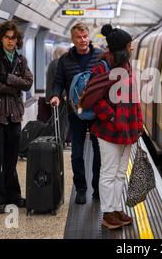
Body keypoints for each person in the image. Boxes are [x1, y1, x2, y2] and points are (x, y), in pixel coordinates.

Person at [82, 24, 143, 230]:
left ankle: (117, 208)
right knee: (108, 172)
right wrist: (111, 118)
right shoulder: (102, 67)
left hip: (128, 129)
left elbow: (134, 98)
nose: (132, 48)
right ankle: (108, 213)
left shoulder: (126, 66)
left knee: (120, 173)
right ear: (121, 48)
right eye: (129, 45)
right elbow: (92, 97)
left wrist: (139, 122)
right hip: (108, 130)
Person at [0, 21, 33, 213]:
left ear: (17, 40)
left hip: (14, 116)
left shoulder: (21, 60)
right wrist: (15, 85)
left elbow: (28, 83)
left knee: (11, 159)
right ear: (1, 38)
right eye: (7, 37)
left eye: (14, 38)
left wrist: (8, 78)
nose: (11, 41)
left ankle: (13, 195)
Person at [50, 22, 103, 204]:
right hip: (75, 113)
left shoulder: (99, 56)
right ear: (72, 39)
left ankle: (97, 189)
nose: (83, 40)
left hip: (97, 113)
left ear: (89, 37)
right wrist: (56, 96)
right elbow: (58, 82)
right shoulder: (65, 60)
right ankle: (81, 189)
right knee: (77, 153)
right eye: (79, 37)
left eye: (85, 36)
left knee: (99, 152)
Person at [45, 45, 69, 144]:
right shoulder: (57, 64)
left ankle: (58, 141)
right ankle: (59, 142)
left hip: (55, 97)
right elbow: (58, 82)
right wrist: (64, 95)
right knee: (61, 121)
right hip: (58, 98)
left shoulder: (53, 62)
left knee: (58, 120)